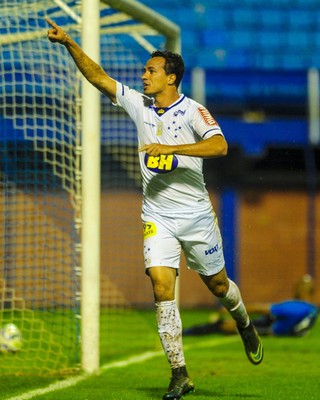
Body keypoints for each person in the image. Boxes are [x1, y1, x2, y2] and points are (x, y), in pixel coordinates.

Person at [46, 18, 263, 400]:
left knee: (218, 286)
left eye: (151, 70)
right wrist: (68, 42)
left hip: (196, 216)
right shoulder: (139, 104)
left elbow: (220, 146)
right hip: (157, 216)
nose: (144, 75)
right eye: (145, 70)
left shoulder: (194, 111)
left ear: (171, 79)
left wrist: (172, 149)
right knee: (161, 288)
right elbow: (98, 77)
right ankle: (179, 373)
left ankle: (242, 319)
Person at [183, 300, 318, 337]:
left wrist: (230, 310)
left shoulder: (293, 308)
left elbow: (260, 308)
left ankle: (187, 332)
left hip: (272, 328)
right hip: (276, 323)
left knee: (224, 326)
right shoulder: (311, 309)